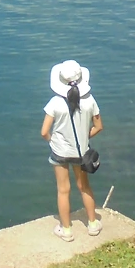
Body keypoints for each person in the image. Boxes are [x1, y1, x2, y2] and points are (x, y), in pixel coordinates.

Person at [41, 59, 103, 242]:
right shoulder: (90, 100)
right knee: (84, 187)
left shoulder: (54, 102)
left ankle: (66, 230)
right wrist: (85, 136)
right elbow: (98, 126)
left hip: (59, 152)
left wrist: (54, 141)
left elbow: (44, 132)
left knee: (63, 190)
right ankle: (92, 224)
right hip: (81, 151)